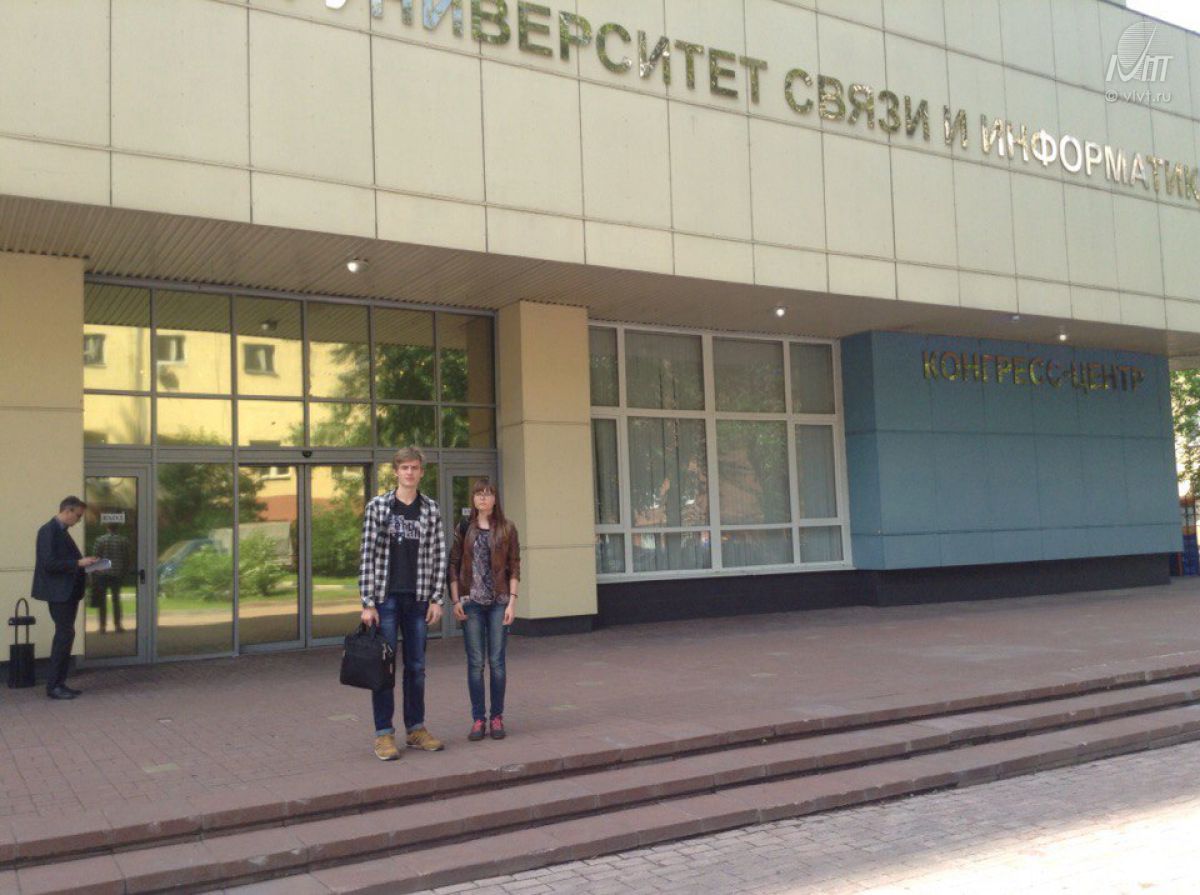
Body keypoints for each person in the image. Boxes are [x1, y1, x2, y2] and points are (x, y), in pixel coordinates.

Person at [358, 446, 447, 761]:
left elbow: (439, 554)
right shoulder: (378, 507)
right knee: (384, 668)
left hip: (418, 598)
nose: (409, 472)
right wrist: (368, 602)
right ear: (395, 471)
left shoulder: (430, 509)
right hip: (385, 599)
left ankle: (416, 729)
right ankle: (384, 733)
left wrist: (437, 598)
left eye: (414, 467)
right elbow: (367, 555)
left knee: (417, 668)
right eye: (404, 467)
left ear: (422, 472)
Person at [448, 478, 520, 741]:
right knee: (476, 663)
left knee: (497, 663)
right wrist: (456, 601)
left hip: (499, 602)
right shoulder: (464, 527)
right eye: (479, 493)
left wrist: (512, 602)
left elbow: (514, 565)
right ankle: (478, 719)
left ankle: (497, 717)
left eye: (488, 494)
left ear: (495, 499)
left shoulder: (507, 528)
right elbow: (453, 564)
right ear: (473, 498)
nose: (483, 498)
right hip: (472, 603)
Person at [31, 496, 98, 700]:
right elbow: (49, 564)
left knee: (66, 635)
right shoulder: (48, 531)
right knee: (63, 636)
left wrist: (86, 564)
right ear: (67, 511)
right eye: (78, 516)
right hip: (59, 593)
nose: (78, 520)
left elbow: (65, 561)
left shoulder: (62, 531)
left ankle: (59, 683)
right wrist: (78, 563)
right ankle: (54, 686)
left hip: (67, 593)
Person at [90, 524, 132, 633]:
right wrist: (124, 572)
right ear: (117, 528)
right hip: (116, 573)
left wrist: (94, 572)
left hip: (102, 573)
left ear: (107, 528)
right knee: (116, 600)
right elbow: (127, 558)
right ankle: (118, 625)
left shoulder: (100, 540)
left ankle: (102, 626)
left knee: (102, 601)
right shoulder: (123, 541)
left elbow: (95, 557)